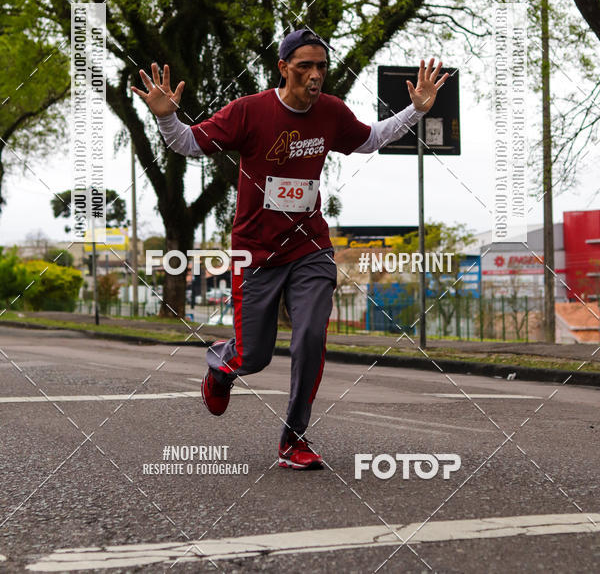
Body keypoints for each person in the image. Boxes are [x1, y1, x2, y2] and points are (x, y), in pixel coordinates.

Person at [132, 29, 448, 470]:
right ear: (283, 68)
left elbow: (372, 138)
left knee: (311, 336)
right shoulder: (249, 111)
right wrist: (167, 118)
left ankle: (294, 438)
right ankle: (223, 366)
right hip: (256, 252)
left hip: (310, 246)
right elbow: (186, 143)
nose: (315, 75)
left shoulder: (331, 113)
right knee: (254, 355)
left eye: (321, 66)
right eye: (305, 66)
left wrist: (416, 111)